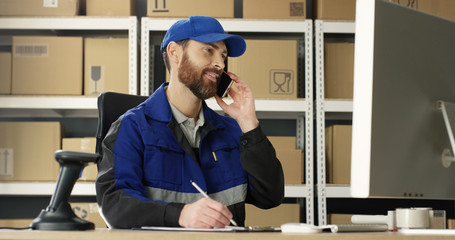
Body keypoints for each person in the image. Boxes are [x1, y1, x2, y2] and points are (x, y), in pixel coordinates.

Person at [96, 15, 284, 229]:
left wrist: (249, 123)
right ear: (174, 53)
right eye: (209, 50)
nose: (220, 63)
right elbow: (114, 205)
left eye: (223, 56)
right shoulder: (132, 128)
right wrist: (180, 215)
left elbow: (270, 196)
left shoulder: (233, 130)